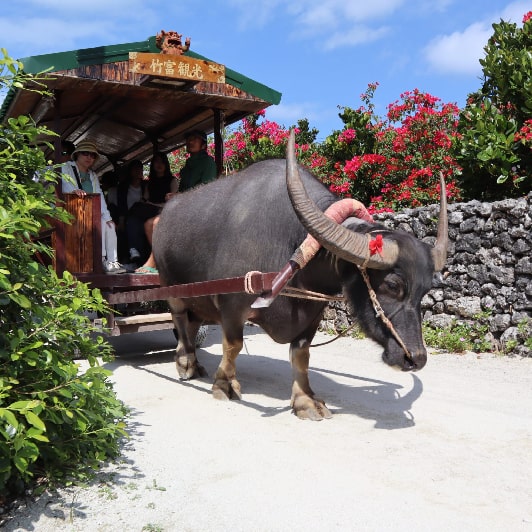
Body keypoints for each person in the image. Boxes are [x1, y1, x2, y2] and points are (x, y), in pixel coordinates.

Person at [135, 129, 217, 274]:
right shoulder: (186, 168)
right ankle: (163, 263)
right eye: (189, 139)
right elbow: (184, 191)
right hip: (184, 208)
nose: (190, 142)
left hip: (200, 210)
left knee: (156, 223)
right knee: (148, 224)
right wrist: (174, 195)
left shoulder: (208, 162)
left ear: (203, 145)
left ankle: (154, 263)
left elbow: (207, 190)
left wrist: (180, 195)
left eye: (195, 139)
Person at [60, 140, 126, 274]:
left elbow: (99, 197)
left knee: (109, 225)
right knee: (98, 223)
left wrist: (108, 217)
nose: (89, 157)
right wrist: (72, 191)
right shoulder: (65, 167)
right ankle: (100, 260)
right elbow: (48, 178)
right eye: (85, 153)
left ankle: (112, 261)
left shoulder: (93, 175)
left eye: (92, 155)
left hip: (90, 213)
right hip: (72, 214)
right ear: (77, 154)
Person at [126, 152, 176, 264]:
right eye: (156, 162)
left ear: (166, 165)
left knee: (147, 222)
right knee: (133, 220)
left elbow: (174, 199)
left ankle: (157, 259)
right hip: (150, 209)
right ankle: (134, 251)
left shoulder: (172, 180)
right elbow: (145, 198)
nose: (159, 164)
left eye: (162, 162)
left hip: (164, 210)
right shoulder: (150, 182)